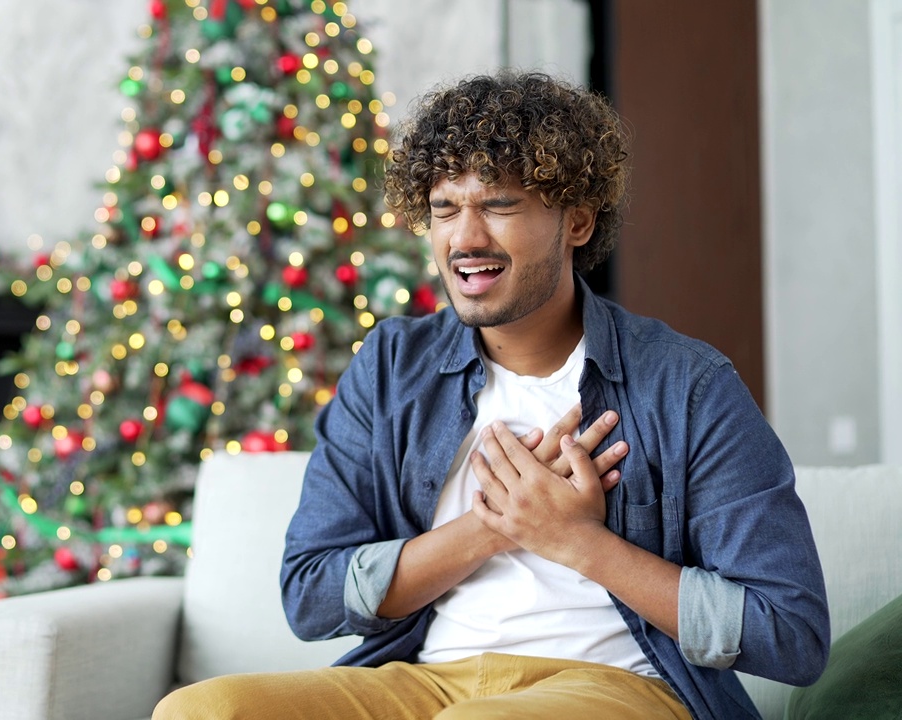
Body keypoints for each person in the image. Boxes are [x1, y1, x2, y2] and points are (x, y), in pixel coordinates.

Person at [153, 72, 829, 719]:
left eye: (499, 205)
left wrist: (575, 539)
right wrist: (491, 527)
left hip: (619, 686)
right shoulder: (393, 367)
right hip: (428, 683)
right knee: (199, 710)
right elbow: (311, 595)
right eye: (444, 209)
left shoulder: (685, 384)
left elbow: (791, 632)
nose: (465, 239)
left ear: (578, 222)